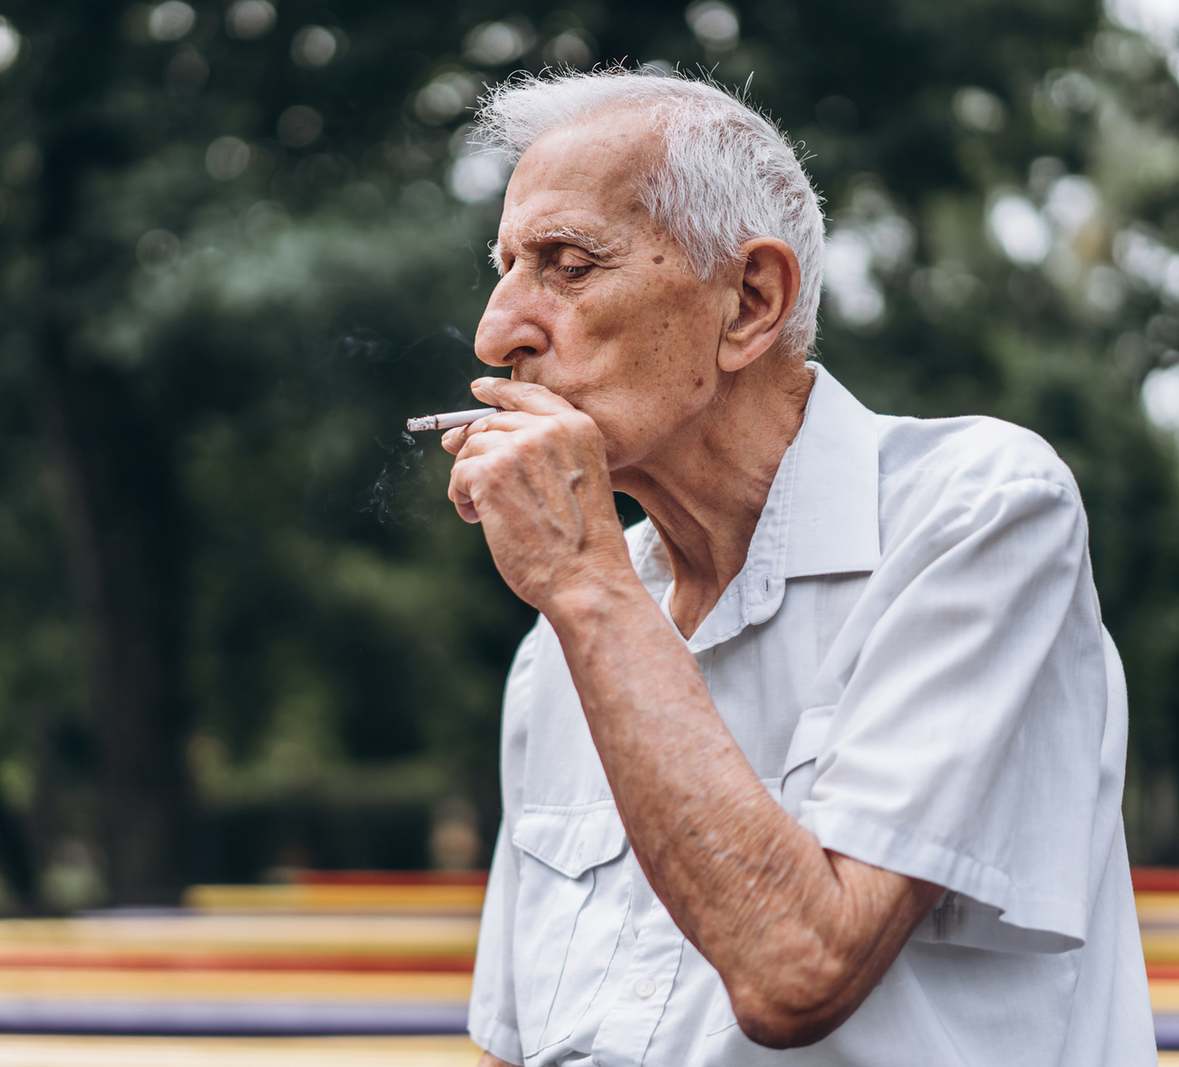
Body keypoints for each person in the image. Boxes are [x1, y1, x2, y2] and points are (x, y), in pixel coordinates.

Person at [442, 69, 1153, 1066]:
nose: (496, 332)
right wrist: (587, 592)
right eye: (505, 266)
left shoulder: (975, 509)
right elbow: (514, 1045)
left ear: (749, 301)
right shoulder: (561, 637)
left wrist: (584, 584)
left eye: (565, 263)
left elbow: (796, 972)